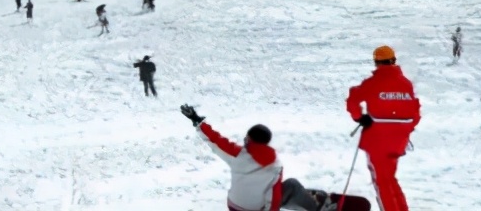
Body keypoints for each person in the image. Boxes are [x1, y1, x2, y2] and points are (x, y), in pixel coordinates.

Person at [179, 105, 325, 211]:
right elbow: (273, 200)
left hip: (234, 206)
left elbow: (216, 140)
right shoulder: (275, 166)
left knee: (284, 189)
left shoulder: (237, 154)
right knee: (292, 185)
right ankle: (316, 206)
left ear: (250, 139)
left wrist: (197, 120)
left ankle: (304, 198)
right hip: (256, 209)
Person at [346, 45, 421, 211]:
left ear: (377, 62)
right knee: (390, 179)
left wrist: (359, 117)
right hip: (399, 140)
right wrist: (404, 130)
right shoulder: (406, 84)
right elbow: (415, 113)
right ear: (393, 61)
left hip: (377, 140)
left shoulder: (372, 83)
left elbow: (353, 100)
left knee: (382, 182)